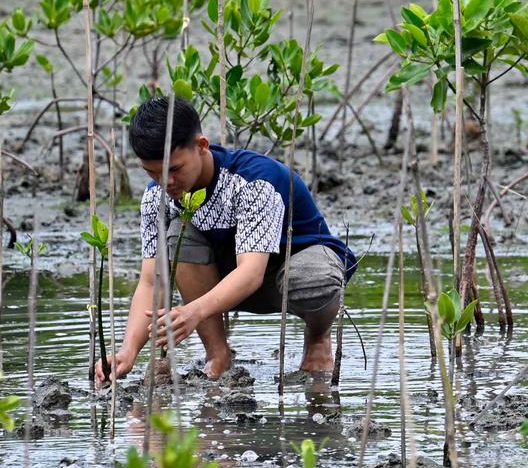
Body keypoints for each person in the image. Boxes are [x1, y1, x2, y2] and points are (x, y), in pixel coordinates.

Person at [95, 96, 356, 383]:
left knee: (315, 282)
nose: (165, 182)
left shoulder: (256, 181)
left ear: (202, 146)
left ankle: (318, 338)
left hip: (288, 273)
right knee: (178, 235)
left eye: (174, 169)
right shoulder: (156, 196)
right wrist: (128, 351)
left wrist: (193, 311)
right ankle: (218, 354)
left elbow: (251, 272)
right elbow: (151, 280)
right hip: (221, 282)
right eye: (153, 173)